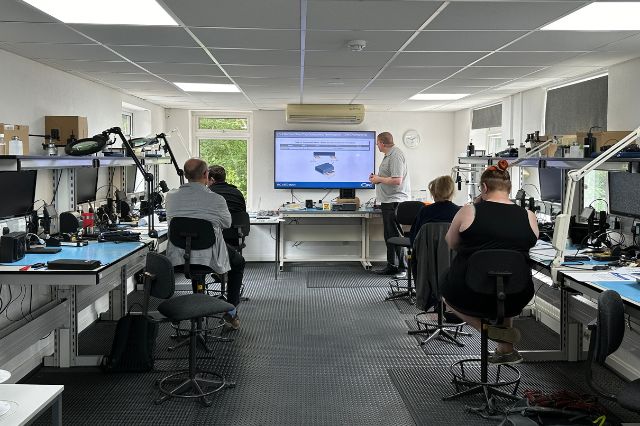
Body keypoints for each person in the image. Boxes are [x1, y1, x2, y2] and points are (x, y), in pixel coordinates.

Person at [442, 159, 539, 364]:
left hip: (469, 292)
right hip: (517, 295)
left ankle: (488, 330)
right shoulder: (528, 215)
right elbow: (529, 244)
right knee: (506, 277)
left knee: (446, 294)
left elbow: (451, 243)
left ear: (484, 187)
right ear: (510, 188)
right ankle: (506, 347)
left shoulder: (469, 211)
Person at [165, 158, 245, 329]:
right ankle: (231, 313)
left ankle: (196, 313)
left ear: (185, 175)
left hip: (180, 256)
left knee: (195, 263)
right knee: (238, 262)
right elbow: (226, 224)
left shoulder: (170, 197)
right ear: (205, 174)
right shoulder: (216, 199)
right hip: (208, 256)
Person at [369, 131, 411, 277]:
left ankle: (402, 268)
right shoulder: (389, 155)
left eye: (377, 143)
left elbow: (397, 180)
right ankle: (392, 265)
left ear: (381, 142)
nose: (377, 145)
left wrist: (378, 179)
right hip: (388, 201)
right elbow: (389, 177)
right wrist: (377, 178)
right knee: (389, 235)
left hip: (395, 202)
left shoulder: (395, 155)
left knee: (395, 235)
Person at [409, 175, 460, 245]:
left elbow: (413, 239)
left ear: (435, 193)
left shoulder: (425, 211)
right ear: (451, 192)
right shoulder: (459, 212)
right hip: (453, 255)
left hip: (426, 254)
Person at [208, 165, 247, 247]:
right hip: (235, 237)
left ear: (212, 180)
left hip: (214, 239)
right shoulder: (237, 192)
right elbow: (243, 212)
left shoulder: (207, 193)